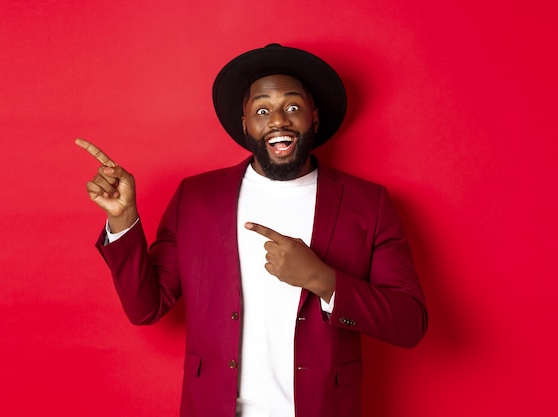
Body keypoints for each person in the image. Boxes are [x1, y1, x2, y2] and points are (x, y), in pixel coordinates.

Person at [76, 43, 427, 417]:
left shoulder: (367, 203)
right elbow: (145, 308)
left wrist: (323, 280)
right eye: (262, 110)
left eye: (293, 107)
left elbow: (409, 323)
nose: (278, 120)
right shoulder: (196, 197)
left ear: (315, 117)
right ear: (245, 125)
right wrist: (123, 219)